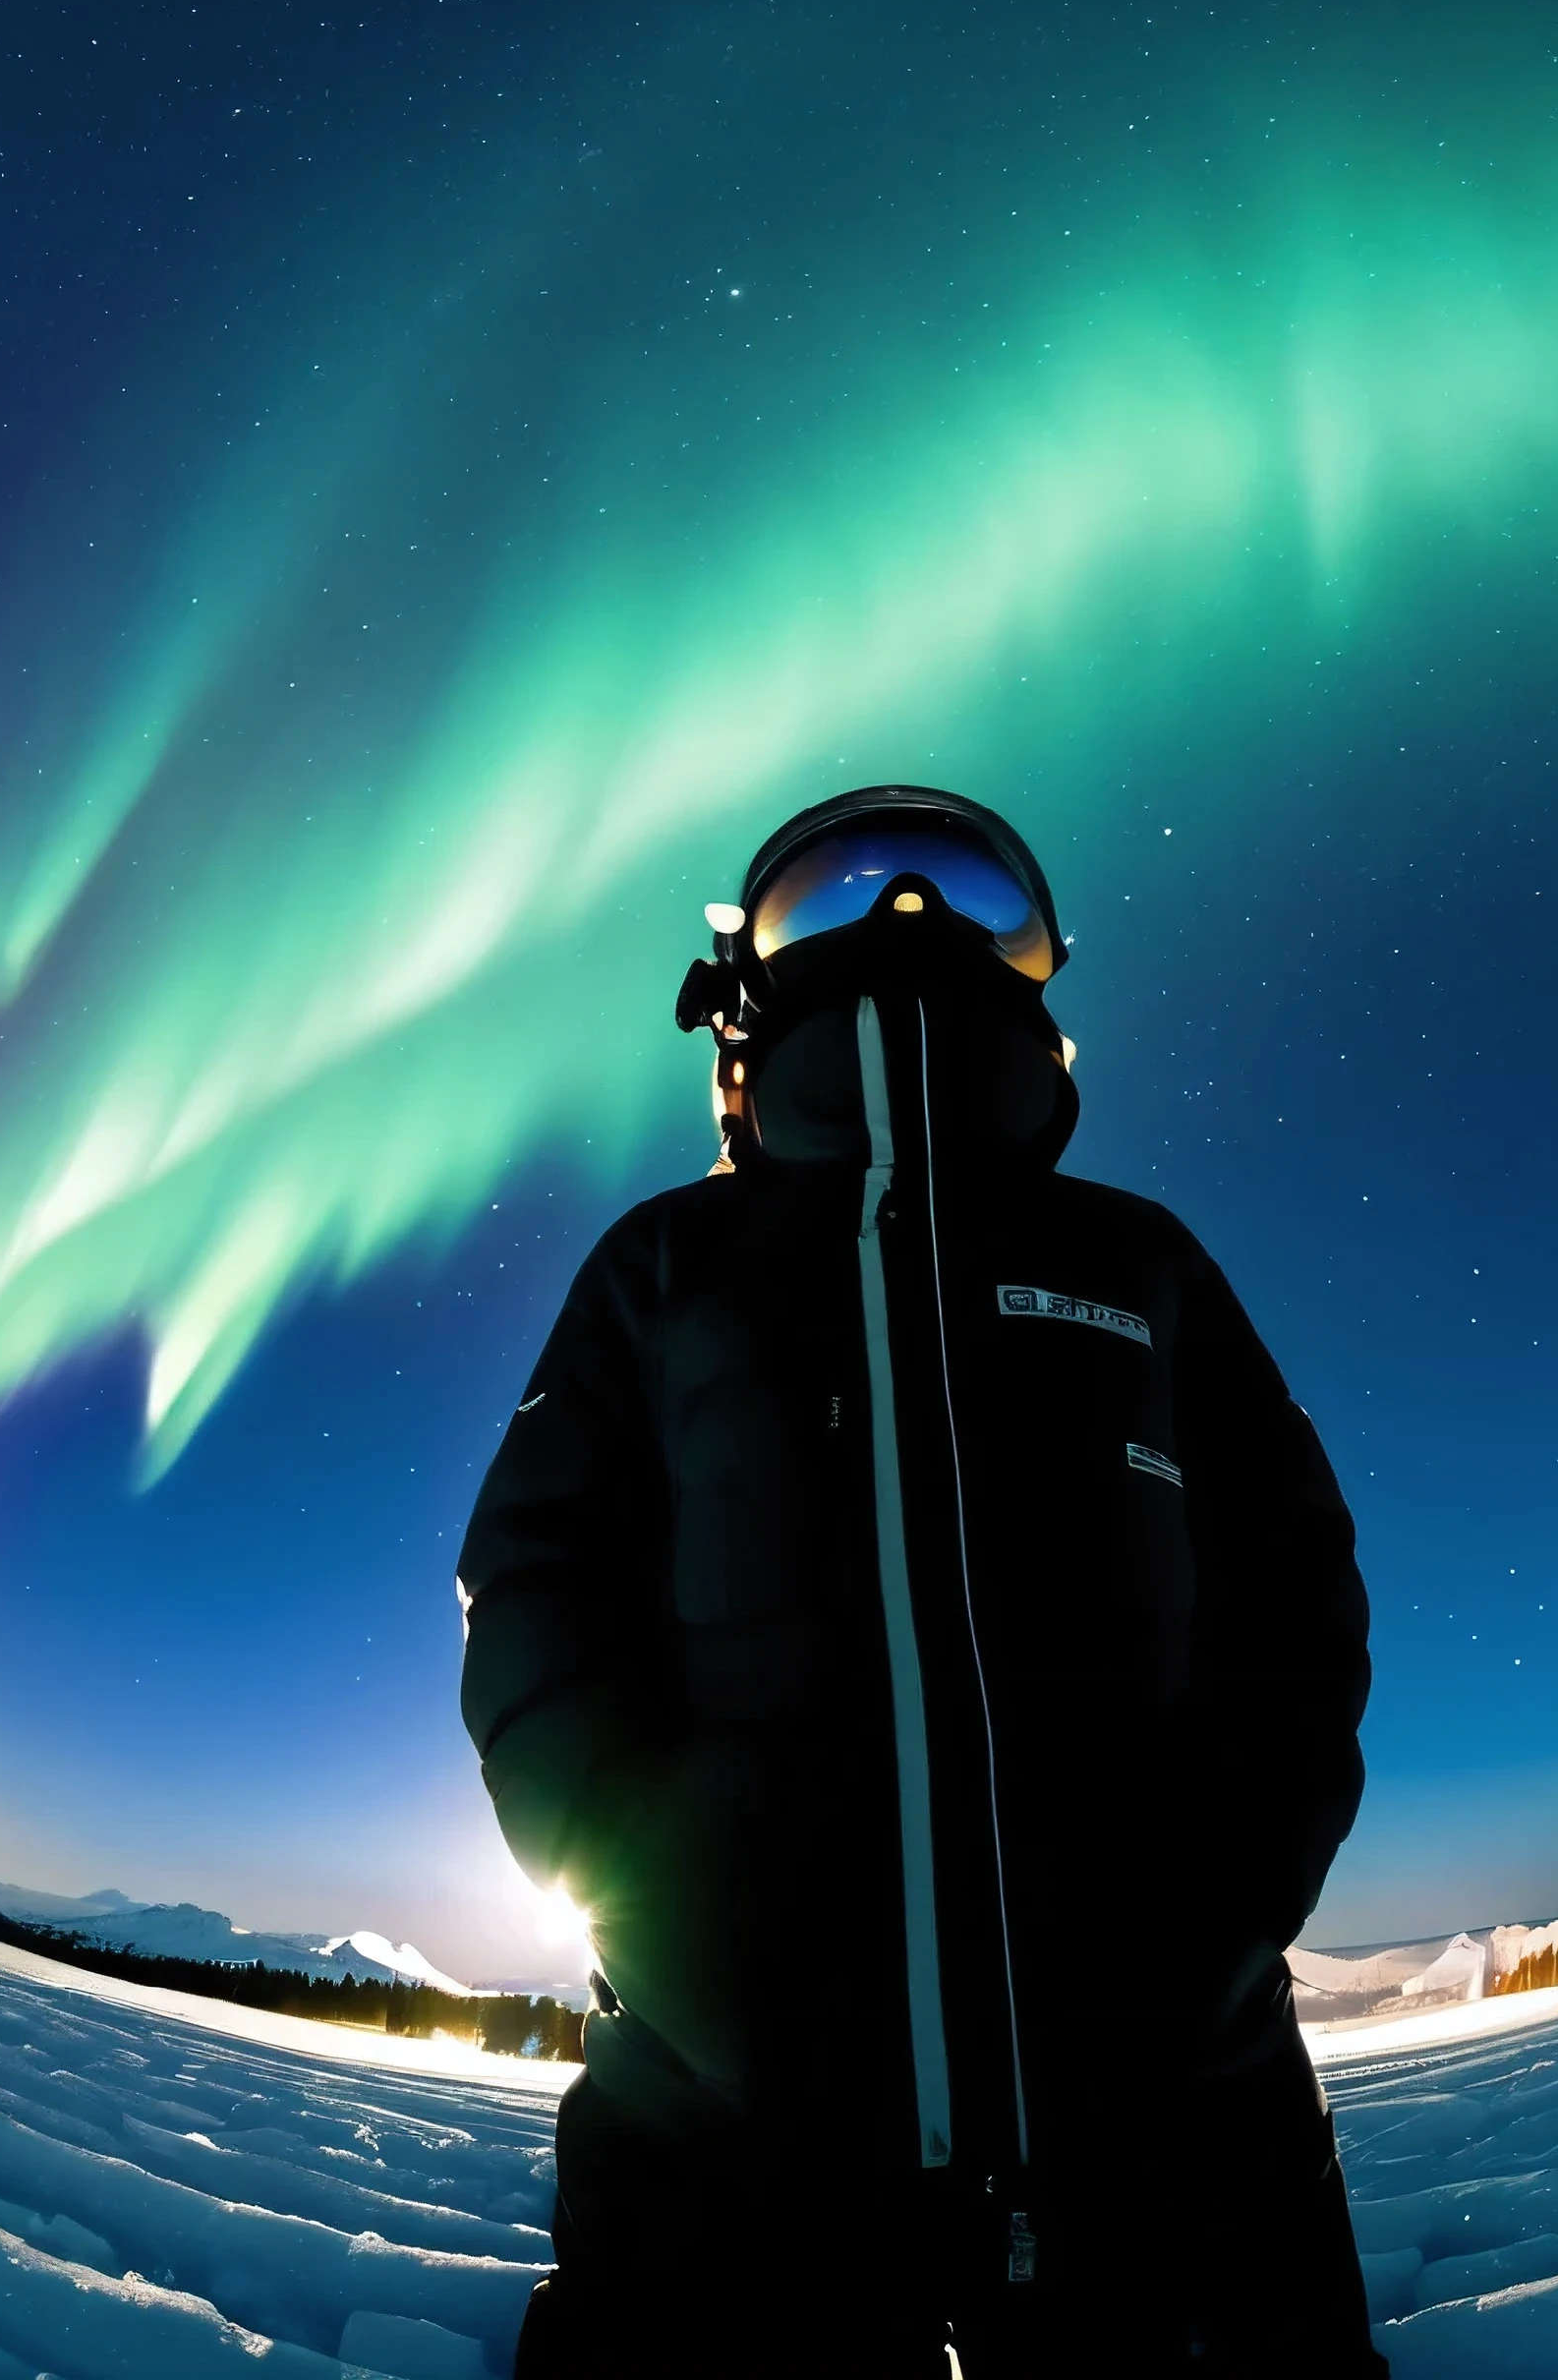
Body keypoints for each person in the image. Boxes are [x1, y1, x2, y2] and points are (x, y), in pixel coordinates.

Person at [457, 786, 1386, 2378]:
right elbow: (539, 1590)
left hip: (1191, 2143)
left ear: (1040, 965)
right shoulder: (660, 1270)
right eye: (829, 890)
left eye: (972, 888)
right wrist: (689, 1947)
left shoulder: (1143, 1262)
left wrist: (1217, 1919)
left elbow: (1297, 1583)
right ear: (744, 983)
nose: (908, 918)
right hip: (716, 2170)